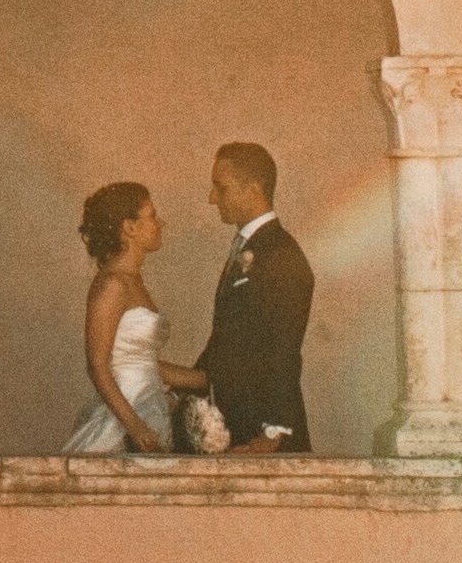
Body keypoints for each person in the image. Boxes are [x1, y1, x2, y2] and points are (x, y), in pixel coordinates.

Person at [191, 141, 313, 452]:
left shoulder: (281, 254)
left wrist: (274, 433)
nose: (211, 198)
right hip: (239, 424)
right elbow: (226, 341)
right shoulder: (249, 247)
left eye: (221, 187)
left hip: (263, 435)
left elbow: (284, 348)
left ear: (253, 188)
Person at [58, 182, 186, 456]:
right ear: (130, 228)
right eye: (151, 216)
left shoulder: (134, 281)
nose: (160, 222)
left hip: (151, 407)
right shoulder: (112, 285)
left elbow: (143, 362)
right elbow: (97, 366)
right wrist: (135, 427)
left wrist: (205, 378)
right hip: (125, 417)